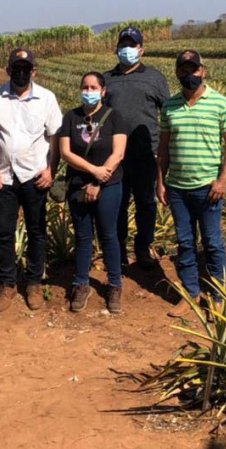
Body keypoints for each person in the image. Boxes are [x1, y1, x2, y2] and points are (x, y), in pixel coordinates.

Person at [157, 51, 226, 318]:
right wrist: (161, 182)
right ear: (177, 73)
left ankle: (219, 295)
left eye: (193, 70)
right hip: (178, 187)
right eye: (183, 70)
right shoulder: (169, 105)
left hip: (209, 187)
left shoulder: (221, 103)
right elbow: (164, 147)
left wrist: (223, 180)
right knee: (185, 242)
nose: (188, 75)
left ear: (203, 71)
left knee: (213, 242)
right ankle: (191, 294)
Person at [0, 48, 62, 312]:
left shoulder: (47, 99)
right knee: (4, 232)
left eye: (26, 68)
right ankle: (7, 284)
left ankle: (34, 283)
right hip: (4, 176)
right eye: (16, 67)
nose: (21, 72)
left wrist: (51, 170)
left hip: (35, 175)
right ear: (8, 70)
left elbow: (56, 138)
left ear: (34, 72)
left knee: (37, 231)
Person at [59, 72, 127, 313]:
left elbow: (118, 153)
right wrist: (93, 171)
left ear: (103, 91)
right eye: (85, 87)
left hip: (109, 185)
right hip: (78, 184)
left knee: (109, 234)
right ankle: (80, 283)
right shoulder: (70, 117)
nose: (89, 91)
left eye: (94, 87)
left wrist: (99, 179)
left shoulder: (114, 117)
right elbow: (66, 153)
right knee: (82, 236)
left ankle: (115, 284)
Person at [103, 26, 171, 269]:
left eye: (132, 45)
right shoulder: (107, 79)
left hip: (146, 154)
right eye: (123, 45)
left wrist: (164, 151)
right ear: (116, 49)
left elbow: (168, 112)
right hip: (115, 157)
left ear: (141, 50)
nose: (127, 50)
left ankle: (143, 248)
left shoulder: (154, 78)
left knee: (146, 203)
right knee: (117, 204)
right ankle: (118, 251)